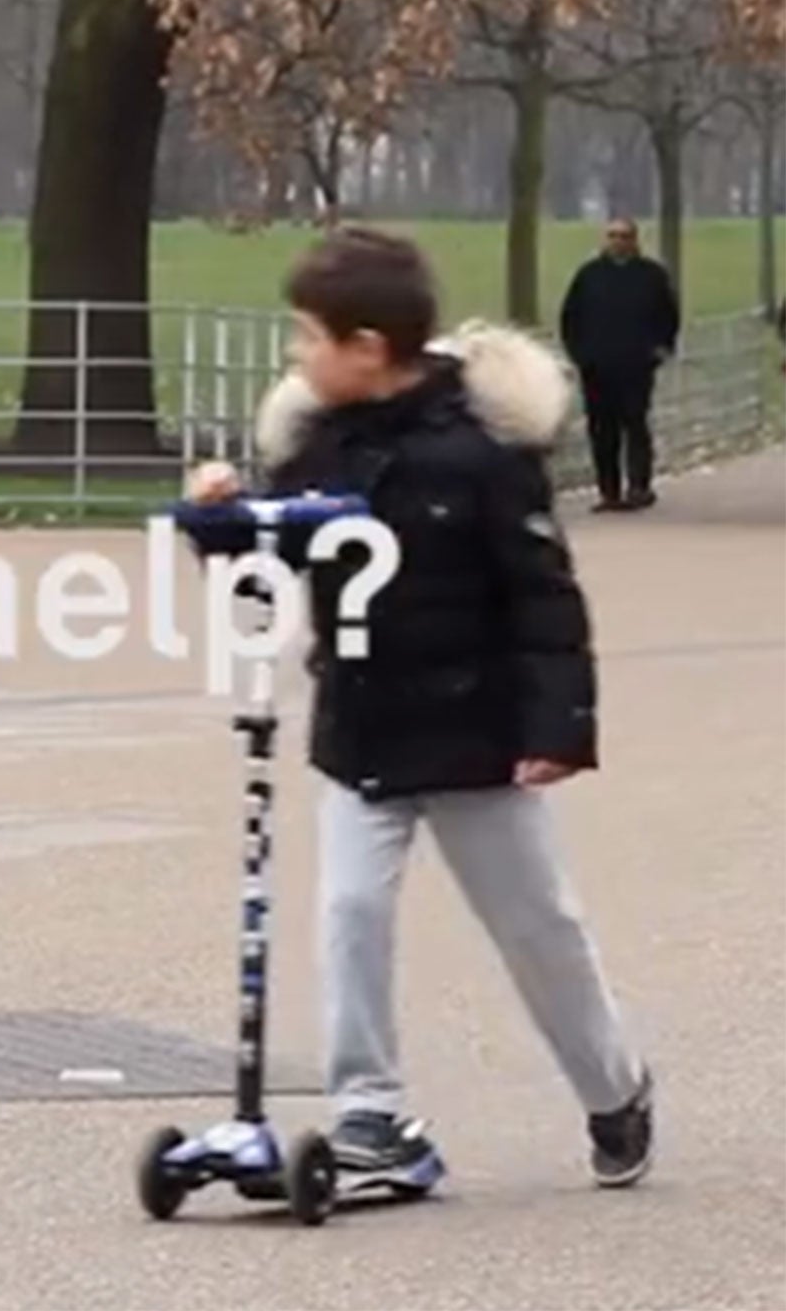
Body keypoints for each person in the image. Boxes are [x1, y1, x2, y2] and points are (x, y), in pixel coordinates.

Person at [183, 228, 654, 1189]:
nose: (295, 357)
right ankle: (370, 1110)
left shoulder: (483, 456)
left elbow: (543, 597)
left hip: (478, 734)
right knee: (351, 912)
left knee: (539, 929)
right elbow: (277, 558)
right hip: (363, 727)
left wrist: (558, 727)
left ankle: (614, 1087)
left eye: (307, 337)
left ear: (367, 346)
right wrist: (223, 518)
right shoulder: (320, 446)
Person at [558, 218, 680, 511]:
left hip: (637, 365)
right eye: (613, 236)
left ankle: (639, 486)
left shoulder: (652, 275)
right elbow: (570, 317)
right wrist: (579, 354)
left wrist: (661, 348)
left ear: (635, 240)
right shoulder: (589, 275)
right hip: (597, 367)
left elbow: (668, 314)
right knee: (602, 430)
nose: (618, 241)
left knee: (635, 423)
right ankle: (608, 491)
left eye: (624, 236)